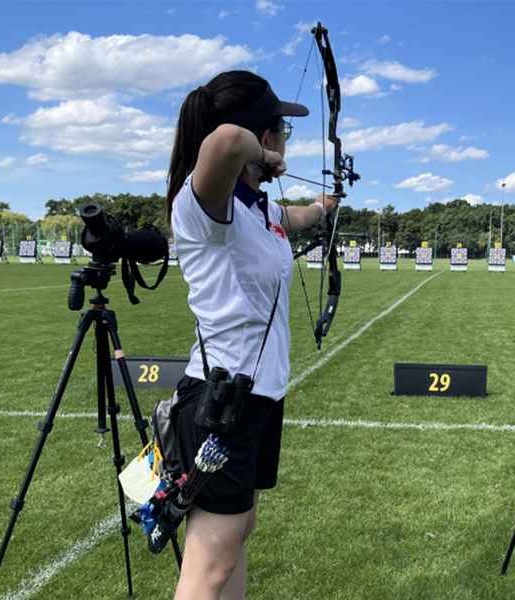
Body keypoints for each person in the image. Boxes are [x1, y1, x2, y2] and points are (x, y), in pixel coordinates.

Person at [165, 70, 338, 600]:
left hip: (257, 396)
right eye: (281, 133)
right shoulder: (204, 205)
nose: (287, 143)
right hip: (222, 399)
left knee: (237, 535)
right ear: (263, 138)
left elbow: (299, 215)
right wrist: (261, 156)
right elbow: (222, 141)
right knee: (208, 566)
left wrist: (326, 207)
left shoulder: (256, 210)